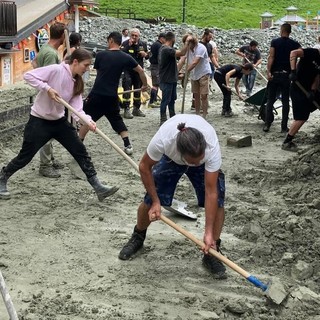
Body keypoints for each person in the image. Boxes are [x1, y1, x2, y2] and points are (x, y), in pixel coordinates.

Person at [0, 49, 119, 201]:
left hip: (59, 122)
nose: (88, 69)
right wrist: (47, 88)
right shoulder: (56, 70)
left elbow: (77, 110)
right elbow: (28, 76)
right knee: (25, 156)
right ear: (75, 62)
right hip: (39, 121)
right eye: (86, 65)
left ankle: (98, 187)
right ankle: (2, 178)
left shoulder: (77, 82)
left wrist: (87, 121)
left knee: (80, 151)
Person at [118, 114, 227, 279]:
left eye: (199, 160)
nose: (196, 164)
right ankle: (138, 237)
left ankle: (212, 250)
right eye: (193, 161)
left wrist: (208, 231)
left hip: (199, 157)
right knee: (150, 199)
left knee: (218, 201)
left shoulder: (210, 147)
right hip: (172, 160)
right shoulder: (164, 141)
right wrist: (156, 201)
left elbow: (211, 192)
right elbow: (144, 166)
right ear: (181, 153)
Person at [78, 32, 148, 155]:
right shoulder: (125, 57)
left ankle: (79, 145)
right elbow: (141, 70)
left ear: (111, 40)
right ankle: (128, 145)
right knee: (116, 119)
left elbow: (100, 72)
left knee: (87, 119)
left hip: (97, 94)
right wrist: (144, 85)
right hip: (112, 95)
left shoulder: (101, 55)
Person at [32, 22, 66, 179]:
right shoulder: (51, 54)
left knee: (50, 132)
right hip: (49, 99)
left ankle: (50, 160)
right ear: (62, 37)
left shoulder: (44, 48)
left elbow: (34, 64)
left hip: (45, 96)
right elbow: (51, 78)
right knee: (47, 133)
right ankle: (45, 165)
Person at [264, 23, 301, 133]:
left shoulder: (275, 42)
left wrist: (269, 71)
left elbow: (271, 57)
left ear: (281, 30)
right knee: (285, 101)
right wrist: (295, 70)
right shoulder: (294, 44)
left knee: (270, 100)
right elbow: (301, 56)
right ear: (290, 32)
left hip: (275, 74)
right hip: (286, 76)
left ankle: (267, 124)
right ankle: (284, 127)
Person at [282, 47, 320, 152]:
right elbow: (293, 53)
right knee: (302, 117)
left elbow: (317, 77)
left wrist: (313, 90)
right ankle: (287, 142)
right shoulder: (312, 52)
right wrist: (293, 71)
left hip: (308, 90)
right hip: (297, 88)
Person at [158, 32, 190, 125]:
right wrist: (187, 42)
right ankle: (163, 119)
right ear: (173, 39)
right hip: (167, 79)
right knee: (165, 100)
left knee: (172, 100)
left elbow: (174, 63)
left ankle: (172, 117)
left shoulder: (166, 49)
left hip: (171, 79)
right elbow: (182, 52)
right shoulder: (166, 49)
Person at [121, 28, 149, 119]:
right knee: (127, 88)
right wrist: (128, 46)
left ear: (139, 36)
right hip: (127, 70)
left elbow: (149, 56)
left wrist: (145, 54)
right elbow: (120, 54)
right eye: (132, 35)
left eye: (136, 36)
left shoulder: (143, 44)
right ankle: (126, 108)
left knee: (138, 89)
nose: (134, 37)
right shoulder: (125, 43)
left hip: (138, 71)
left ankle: (136, 108)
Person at [186, 35, 212, 118]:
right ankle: (197, 115)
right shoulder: (187, 48)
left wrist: (186, 71)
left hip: (203, 73)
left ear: (193, 43)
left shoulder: (201, 48)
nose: (187, 45)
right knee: (196, 94)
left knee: (204, 95)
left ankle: (204, 115)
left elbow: (195, 62)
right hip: (194, 74)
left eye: (188, 43)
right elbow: (183, 58)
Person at [148, 32, 166, 108]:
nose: (165, 41)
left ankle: (155, 100)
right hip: (156, 66)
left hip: (154, 66)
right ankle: (151, 101)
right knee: (155, 84)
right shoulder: (159, 45)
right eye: (165, 39)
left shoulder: (155, 44)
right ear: (161, 38)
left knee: (156, 83)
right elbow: (160, 56)